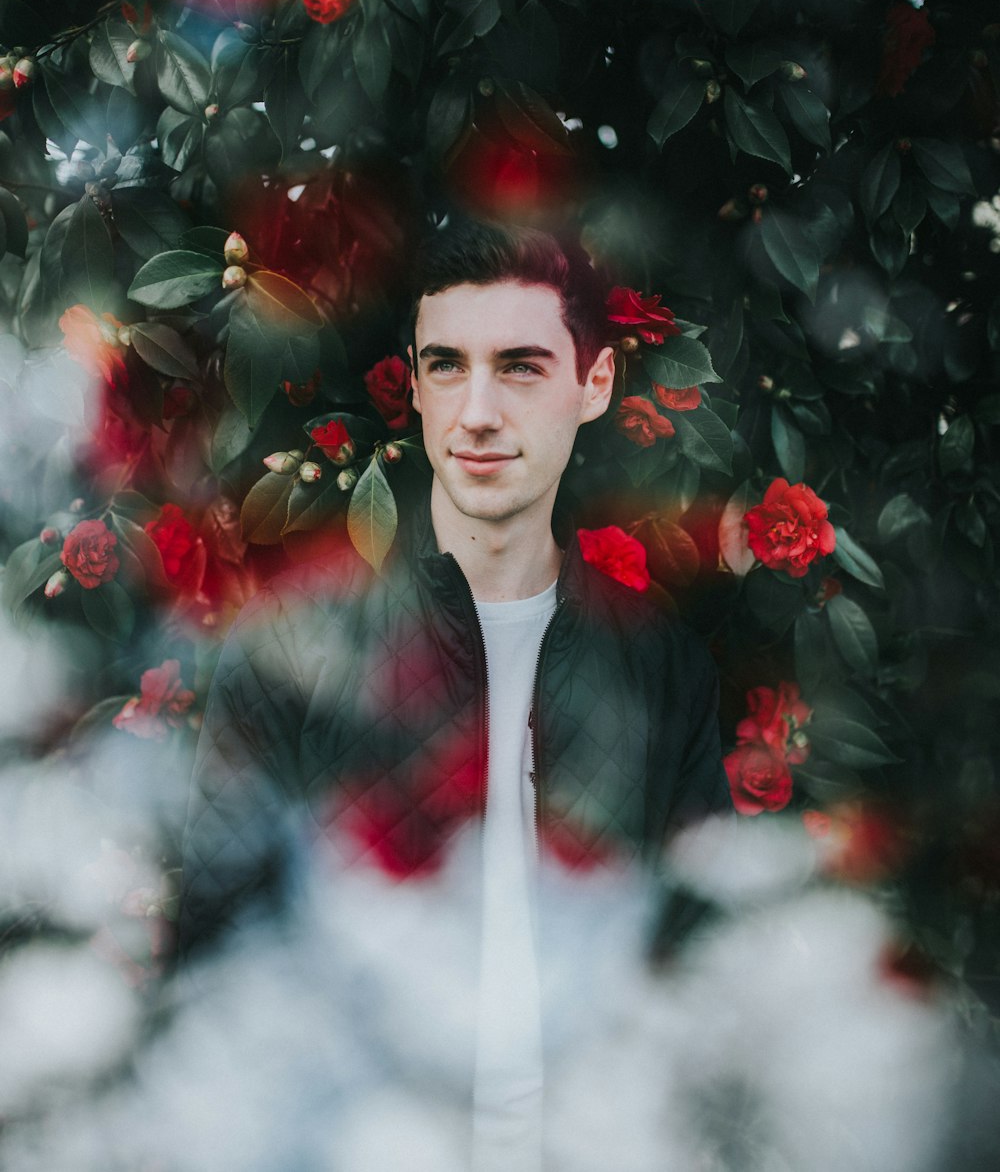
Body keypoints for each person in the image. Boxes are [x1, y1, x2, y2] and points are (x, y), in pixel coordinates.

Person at [179, 215, 732, 1168]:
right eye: (445, 365)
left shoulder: (652, 656)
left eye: (520, 367)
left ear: (594, 385)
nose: (478, 410)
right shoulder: (310, 627)